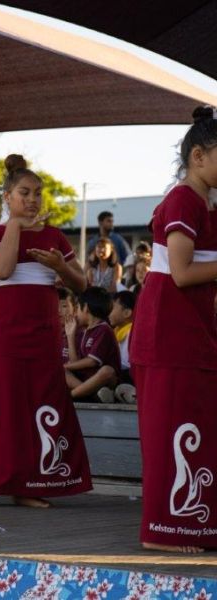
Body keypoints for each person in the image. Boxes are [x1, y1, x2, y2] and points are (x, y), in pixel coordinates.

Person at [0, 154, 91, 509]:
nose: (33, 199)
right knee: (7, 406)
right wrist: (15, 226)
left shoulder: (54, 235)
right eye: (24, 192)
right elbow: (4, 270)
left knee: (44, 403)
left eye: (38, 193)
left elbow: (82, 283)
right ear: (8, 196)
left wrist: (60, 267)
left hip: (43, 331)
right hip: (6, 332)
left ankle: (31, 484)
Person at [130, 106, 217, 554]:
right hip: (168, 331)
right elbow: (182, 272)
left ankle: (193, 517)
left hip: (193, 331)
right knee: (173, 429)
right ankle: (164, 528)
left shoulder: (205, 203)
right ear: (198, 156)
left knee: (194, 425)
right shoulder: (183, 199)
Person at [64, 287, 121, 403]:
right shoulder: (85, 331)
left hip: (103, 380)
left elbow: (92, 361)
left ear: (85, 308)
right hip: (86, 380)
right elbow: (75, 362)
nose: (76, 313)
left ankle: (70, 396)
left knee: (107, 371)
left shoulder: (104, 329)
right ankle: (91, 394)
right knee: (62, 373)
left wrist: (65, 366)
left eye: (78, 308)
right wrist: (70, 336)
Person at [109, 290, 136, 404]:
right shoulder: (116, 331)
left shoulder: (131, 332)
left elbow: (126, 363)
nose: (108, 312)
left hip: (127, 373)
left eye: (113, 308)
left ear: (127, 313)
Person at [57, 287, 77, 364]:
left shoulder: (81, 334)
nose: (58, 310)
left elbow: (76, 365)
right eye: (54, 305)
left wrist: (70, 337)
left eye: (64, 306)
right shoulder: (46, 332)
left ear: (75, 310)